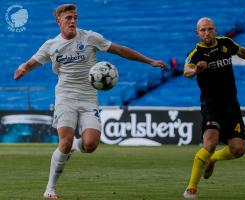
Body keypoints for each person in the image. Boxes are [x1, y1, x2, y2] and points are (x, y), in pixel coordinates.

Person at [14, 4, 167, 199]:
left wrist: (150, 61)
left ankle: (75, 147)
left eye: (75, 17)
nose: (73, 21)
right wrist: (23, 69)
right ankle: (50, 188)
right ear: (58, 21)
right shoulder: (50, 46)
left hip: (88, 98)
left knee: (91, 145)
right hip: (65, 97)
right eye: (68, 18)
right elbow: (31, 63)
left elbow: (120, 50)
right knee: (65, 141)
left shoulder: (89, 37)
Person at [182, 17, 245, 199]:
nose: (206, 32)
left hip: (231, 106)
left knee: (238, 149)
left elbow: (241, 51)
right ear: (197, 33)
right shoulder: (196, 53)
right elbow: (186, 70)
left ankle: (212, 160)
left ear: (215, 30)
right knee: (210, 143)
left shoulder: (225, 43)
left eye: (210, 29)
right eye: (202, 30)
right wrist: (196, 69)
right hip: (211, 106)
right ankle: (191, 188)